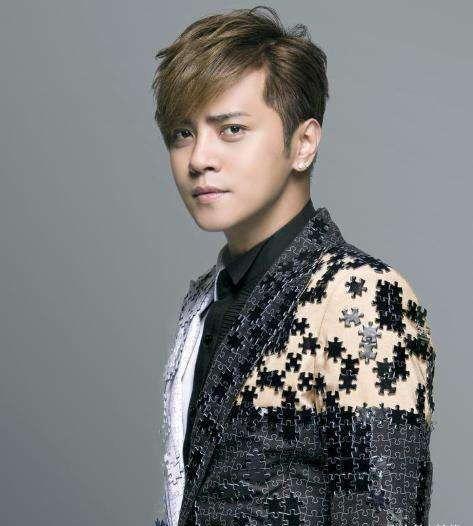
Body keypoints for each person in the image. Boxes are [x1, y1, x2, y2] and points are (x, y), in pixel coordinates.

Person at [151, 6, 437, 526]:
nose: (198, 159)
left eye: (231, 129)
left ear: (303, 143)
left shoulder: (361, 296)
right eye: (181, 133)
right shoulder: (204, 302)